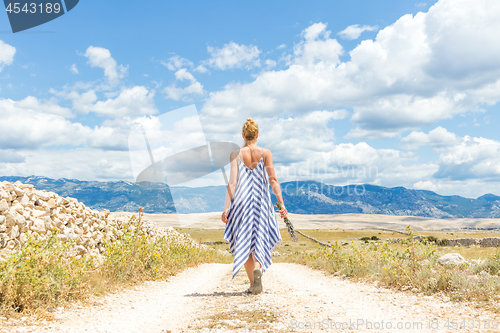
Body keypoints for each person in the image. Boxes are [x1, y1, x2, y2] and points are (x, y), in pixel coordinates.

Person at [221, 117, 288, 295]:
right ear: (257, 135)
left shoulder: (235, 154)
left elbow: (232, 183)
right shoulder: (266, 153)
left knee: (244, 241)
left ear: (243, 135)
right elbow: (273, 180)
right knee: (259, 239)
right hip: (261, 203)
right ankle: (258, 270)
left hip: (241, 203)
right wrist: (281, 204)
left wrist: (226, 208)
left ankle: (252, 284)